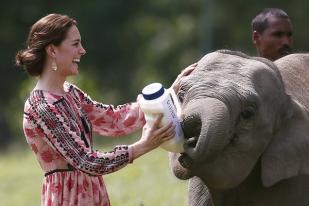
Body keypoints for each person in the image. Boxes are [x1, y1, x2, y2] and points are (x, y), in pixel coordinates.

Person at [16, 13, 194, 206]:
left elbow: (114, 120)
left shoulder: (70, 92)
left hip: (93, 194)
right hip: (67, 200)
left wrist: (168, 93)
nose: (82, 51)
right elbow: (87, 162)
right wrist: (143, 146)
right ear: (52, 50)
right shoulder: (42, 107)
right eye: (75, 44)